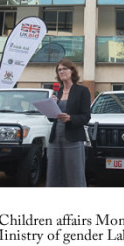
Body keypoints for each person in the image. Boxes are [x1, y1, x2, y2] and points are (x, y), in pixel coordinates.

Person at [46, 59, 91, 187]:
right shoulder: (58, 92)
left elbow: (86, 117)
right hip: (55, 139)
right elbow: (51, 118)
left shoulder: (82, 91)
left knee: (74, 174)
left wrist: (70, 118)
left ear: (72, 71)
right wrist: (51, 106)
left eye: (64, 69)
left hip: (73, 139)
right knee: (55, 173)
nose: (61, 72)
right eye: (59, 70)